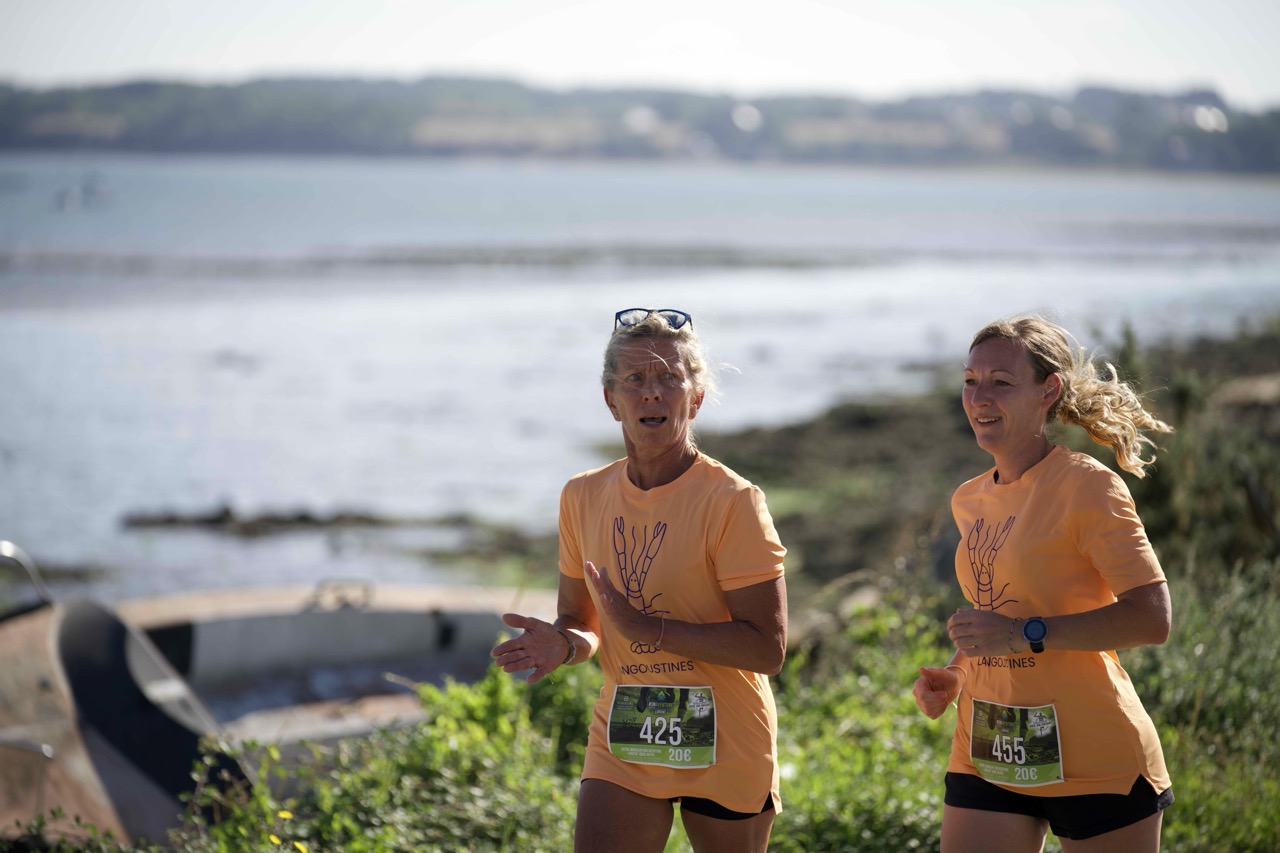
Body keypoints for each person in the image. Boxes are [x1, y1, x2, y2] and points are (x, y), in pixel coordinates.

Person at [491, 308, 788, 853]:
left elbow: (766, 649)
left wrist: (648, 629)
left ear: (695, 399)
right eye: (635, 378)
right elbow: (582, 622)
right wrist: (564, 643)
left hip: (726, 733)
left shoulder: (734, 501)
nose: (652, 391)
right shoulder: (581, 496)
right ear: (611, 400)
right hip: (628, 728)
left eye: (670, 377)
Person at [913, 315, 1175, 852]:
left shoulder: (1088, 486)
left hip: (1094, 754)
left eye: (1001, 382)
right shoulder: (969, 498)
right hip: (992, 745)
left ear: (1047, 391)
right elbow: (1001, 611)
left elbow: (1152, 619)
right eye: (970, 381)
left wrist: (1020, 635)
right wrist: (957, 671)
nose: (979, 397)